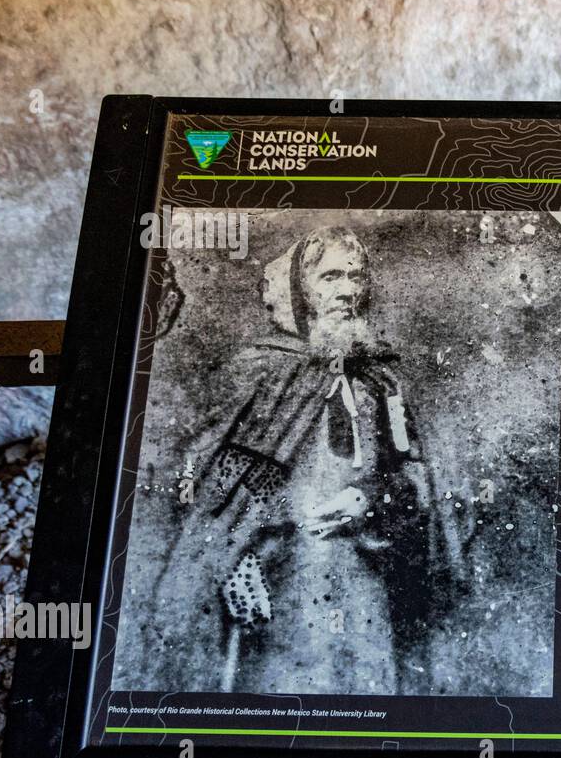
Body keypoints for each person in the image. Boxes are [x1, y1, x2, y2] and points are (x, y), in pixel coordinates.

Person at [139, 226, 462, 695]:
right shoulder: (262, 372)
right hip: (279, 577)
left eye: (355, 277)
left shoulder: (380, 381)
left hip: (365, 579)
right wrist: (239, 555)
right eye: (331, 277)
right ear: (299, 290)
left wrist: (367, 499)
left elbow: (413, 479)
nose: (348, 290)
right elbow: (215, 483)